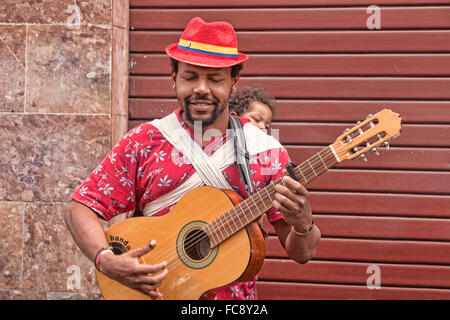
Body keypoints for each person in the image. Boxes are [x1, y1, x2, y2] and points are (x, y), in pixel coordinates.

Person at [64, 17, 320, 300]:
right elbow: (81, 207)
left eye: (214, 78)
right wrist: (105, 260)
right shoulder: (143, 142)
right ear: (173, 77)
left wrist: (303, 224)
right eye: (190, 76)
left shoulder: (265, 151)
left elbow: (302, 252)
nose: (201, 88)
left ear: (234, 82)